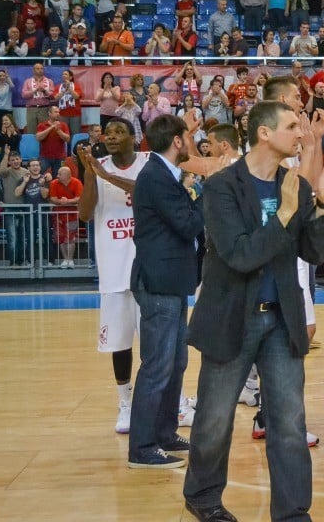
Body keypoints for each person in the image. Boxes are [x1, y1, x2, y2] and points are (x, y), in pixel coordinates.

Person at [183, 101, 324, 522]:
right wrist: (288, 213)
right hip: (231, 318)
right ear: (263, 133)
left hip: (281, 321)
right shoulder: (222, 186)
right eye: (292, 126)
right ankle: (203, 498)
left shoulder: (295, 184)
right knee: (214, 421)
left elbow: (312, 252)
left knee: (289, 423)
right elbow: (239, 255)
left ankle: (293, 513)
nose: (301, 134)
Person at [127, 114, 204, 470]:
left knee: (176, 361)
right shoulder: (156, 177)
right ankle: (142, 447)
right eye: (187, 136)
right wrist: (208, 192)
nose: (191, 142)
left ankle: (164, 432)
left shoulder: (163, 175)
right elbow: (188, 223)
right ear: (176, 141)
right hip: (158, 282)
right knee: (158, 364)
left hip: (169, 281)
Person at [77, 118, 149, 434]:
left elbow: (148, 193)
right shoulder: (98, 166)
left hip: (148, 269)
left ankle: (161, 402)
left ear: (135, 138)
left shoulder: (148, 163)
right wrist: (93, 175)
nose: (112, 136)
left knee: (155, 345)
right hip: (114, 269)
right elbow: (84, 213)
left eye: (120, 132)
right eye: (108, 133)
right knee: (119, 344)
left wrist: (107, 176)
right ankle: (125, 403)